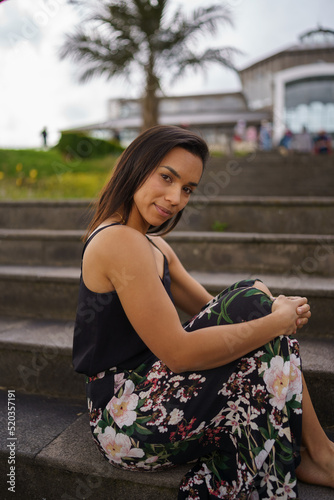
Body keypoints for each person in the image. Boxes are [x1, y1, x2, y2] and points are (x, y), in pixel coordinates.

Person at [73, 125, 333, 499]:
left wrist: (269, 313)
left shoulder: (155, 246)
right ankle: (320, 454)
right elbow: (179, 354)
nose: (176, 198)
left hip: (152, 388)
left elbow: (221, 311)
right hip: (125, 417)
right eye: (167, 177)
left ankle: (317, 452)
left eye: (188, 189)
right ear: (136, 165)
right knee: (260, 308)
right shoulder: (117, 240)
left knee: (254, 295)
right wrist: (276, 321)